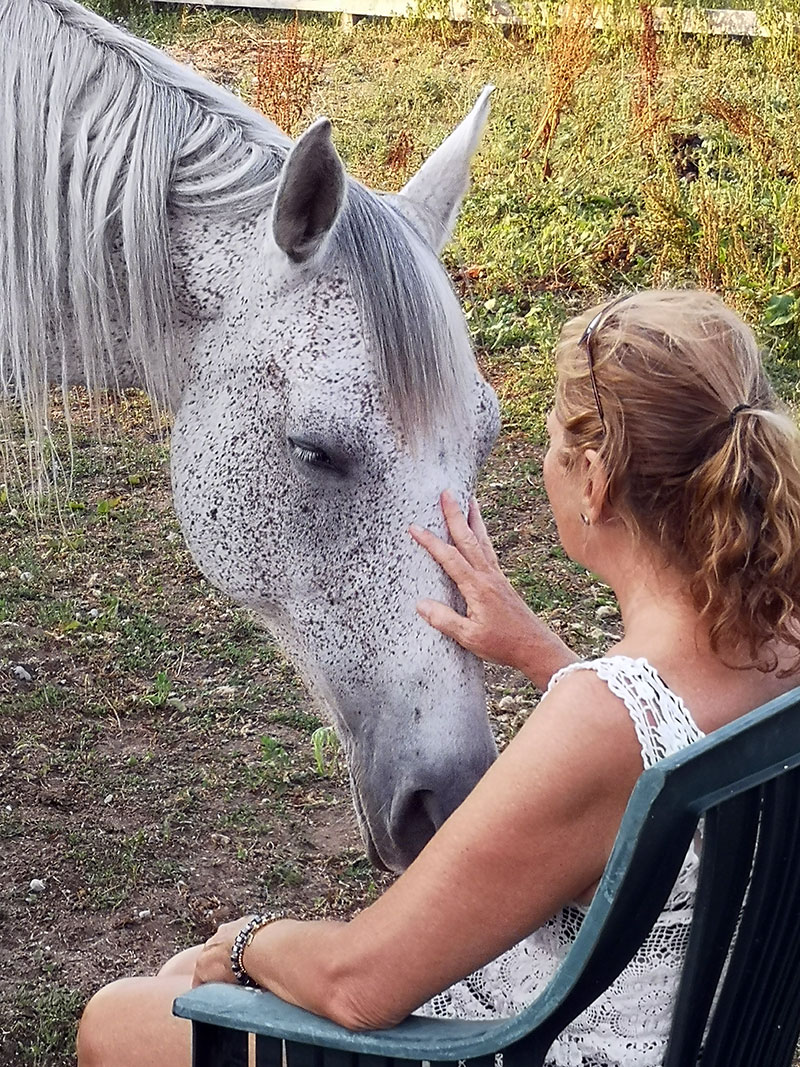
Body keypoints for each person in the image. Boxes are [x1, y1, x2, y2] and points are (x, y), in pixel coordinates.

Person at [77, 289, 800, 1067]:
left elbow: (360, 983)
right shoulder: (781, 642)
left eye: (553, 439)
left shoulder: (598, 722)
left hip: (517, 1044)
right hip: (692, 1029)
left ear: (593, 478)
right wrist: (541, 652)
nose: (545, 459)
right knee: (181, 979)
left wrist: (247, 942)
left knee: (119, 1018)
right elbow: (663, 751)